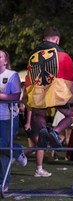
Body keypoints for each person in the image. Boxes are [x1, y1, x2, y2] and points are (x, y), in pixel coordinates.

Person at [23, 27, 73, 177]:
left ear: (44, 38)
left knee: (41, 132)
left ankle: (39, 169)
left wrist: (26, 99)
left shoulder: (33, 55)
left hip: (38, 95)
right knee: (72, 115)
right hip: (56, 93)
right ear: (57, 40)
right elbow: (71, 78)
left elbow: (28, 79)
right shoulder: (62, 54)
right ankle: (55, 131)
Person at [0, 50, 27, 192]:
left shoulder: (12, 75)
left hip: (7, 117)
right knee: (3, 148)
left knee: (3, 150)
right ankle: (17, 149)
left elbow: (16, 96)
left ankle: (3, 182)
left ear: (5, 61)